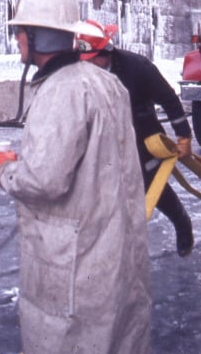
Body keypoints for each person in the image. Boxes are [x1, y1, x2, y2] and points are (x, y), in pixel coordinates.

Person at [0, 0, 151, 354]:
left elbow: (43, 182)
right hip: (112, 253)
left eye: (21, 32)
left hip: (75, 265)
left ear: (36, 36)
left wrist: (2, 169)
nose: (18, 40)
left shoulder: (60, 91)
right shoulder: (106, 83)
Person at [75, 21, 194, 257]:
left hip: (142, 137)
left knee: (152, 186)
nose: (86, 66)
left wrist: (183, 136)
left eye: (91, 60)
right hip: (106, 139)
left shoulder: (137, 67)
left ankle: (182, 223)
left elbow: (169, 99)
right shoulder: (83, 73)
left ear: (105, 53)